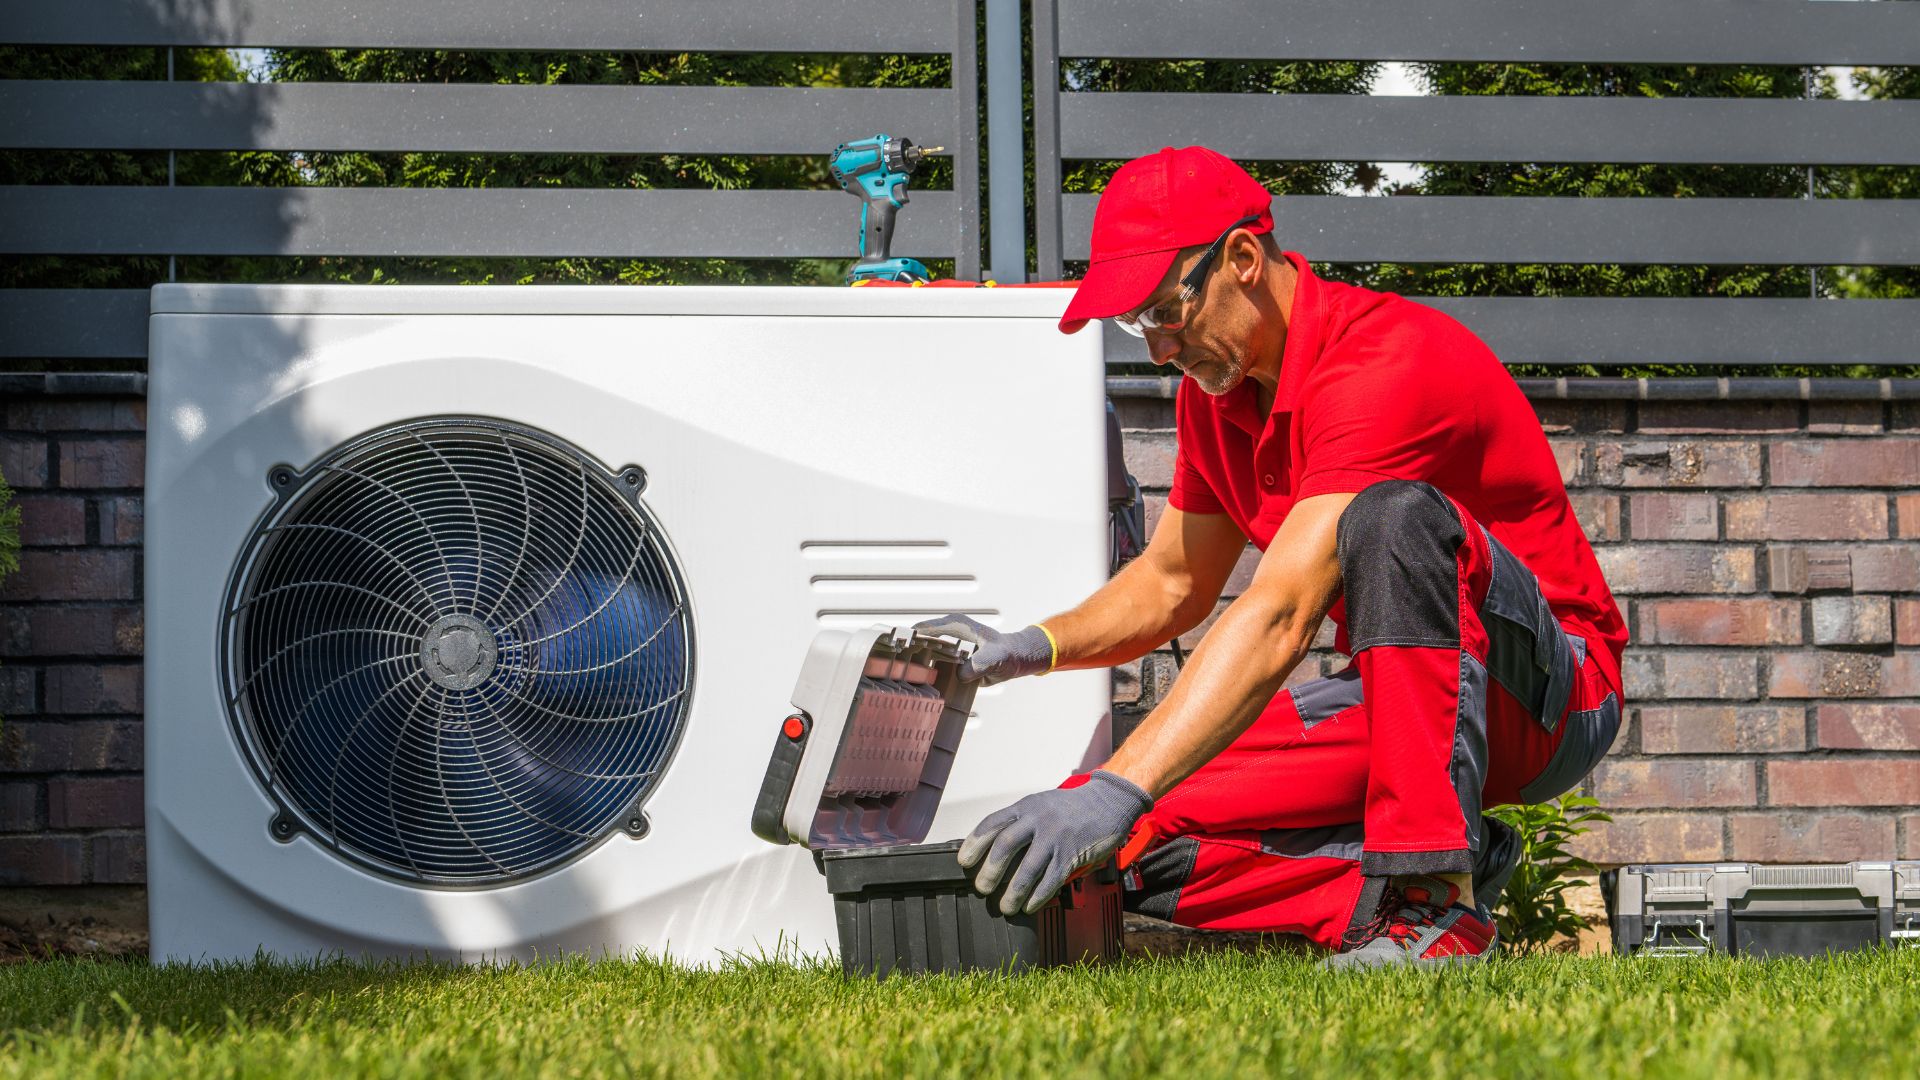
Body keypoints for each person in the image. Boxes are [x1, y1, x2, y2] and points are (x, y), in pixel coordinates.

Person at [917, 146, 1626, 968]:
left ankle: (1433, 899)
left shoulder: (1384, 361)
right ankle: (1426, 876)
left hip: (1548, 696)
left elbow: (1283, 609)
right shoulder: (1215, 399)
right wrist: (1029, 647)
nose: (1158, 350)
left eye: (1166, 312)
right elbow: (1173, 583)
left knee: (1392, 518)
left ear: (1244, 259)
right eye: (1137, 325)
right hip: (1404, 704)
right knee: (1125, 836)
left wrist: (1120, 783)